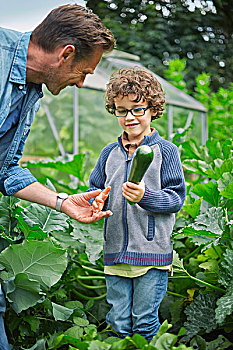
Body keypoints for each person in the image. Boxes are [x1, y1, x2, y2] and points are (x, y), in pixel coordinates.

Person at [0, 4, 115, 348]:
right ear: (66, 54)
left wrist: (63, 202)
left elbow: (5, 169)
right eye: (84, 72)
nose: (81, 84)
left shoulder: (30, 88)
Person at [89, 68, 186, 341]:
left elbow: (176, 199)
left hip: (151, 253)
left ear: (153, 109)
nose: (129, 117)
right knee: (118, 321)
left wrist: (145, 196)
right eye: (121, 110)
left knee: (144, 323)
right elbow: (96, 188)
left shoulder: (166, 152)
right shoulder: (108, 153)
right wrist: (95, 200)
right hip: (115, 252)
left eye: (137, 109)